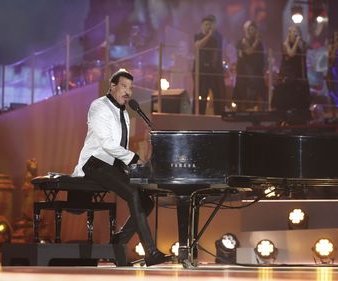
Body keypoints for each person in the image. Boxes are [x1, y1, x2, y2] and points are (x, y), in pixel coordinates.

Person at [72, 69, 170, 266]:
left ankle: (119, 241)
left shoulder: (124, 113)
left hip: (112, 165)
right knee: (134, 192)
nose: (128, 92)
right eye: (124, 86)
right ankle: (150, 251)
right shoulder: (99, 106)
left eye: (131, 88)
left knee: (147, 201)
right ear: (112, 86)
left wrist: (130, 166)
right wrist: (133, 159)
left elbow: (120, 147)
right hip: (94, 163)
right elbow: (106, 143)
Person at [271, 25, 310, 117]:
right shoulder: (285, 44)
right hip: (287, 73)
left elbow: (304, 52)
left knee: (299, 96)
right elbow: (291, 53)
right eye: (293, 31)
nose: (295, 33)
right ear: (289, 33)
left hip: (299, 72)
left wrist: (299, 43)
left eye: (297, 31)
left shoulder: (301, 44)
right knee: (286, 95)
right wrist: (296, 42)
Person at [194, 15, 225, 115]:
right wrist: (208, 36)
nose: (208, 27)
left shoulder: (216, 39)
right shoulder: (198, 36)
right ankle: (198, 115)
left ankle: (218, 117)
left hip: (212, 71)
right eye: (206, 24)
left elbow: (217, 53)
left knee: (217, 94)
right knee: (201, 94)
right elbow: (198, 45)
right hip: (201, 70)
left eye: (210, 25)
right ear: (202, 26)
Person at [233, 20, 267, 111]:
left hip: (257, 71)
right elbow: (249, 51)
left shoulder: (259, 43)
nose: (253, 31)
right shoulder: (243, 41)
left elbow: (262, 55)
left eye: (254, 29)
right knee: (244, 94)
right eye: (250, 29)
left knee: (259, 92)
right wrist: (257, 41)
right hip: (245, 72)